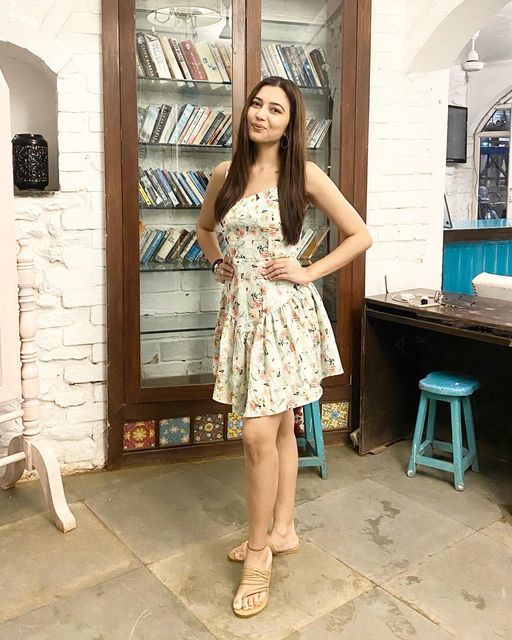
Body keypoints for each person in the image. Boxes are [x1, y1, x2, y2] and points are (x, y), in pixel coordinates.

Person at [196, 76, 372, 618]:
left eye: (276, 109)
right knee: (276, 429)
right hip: (242, 316)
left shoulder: (305, 176)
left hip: (285, 317)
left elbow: (360, 235)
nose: (262, 115)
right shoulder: (225, 174)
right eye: (257, 104)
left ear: (291, 123)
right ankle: (284, 530)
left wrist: (308, 271)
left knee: (257, 434)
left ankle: (258, 552)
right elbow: (205, 230)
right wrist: (216, 262)